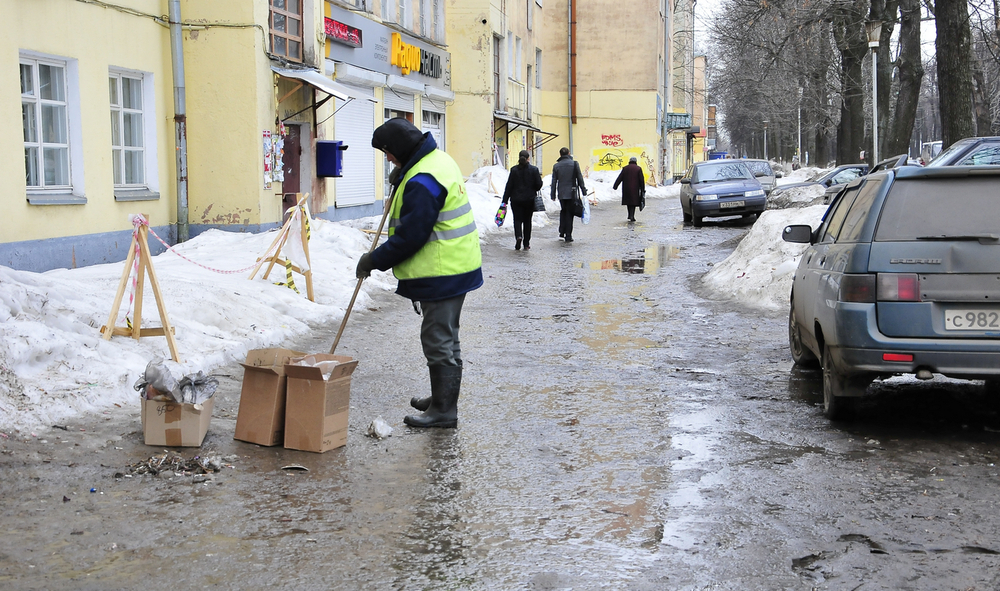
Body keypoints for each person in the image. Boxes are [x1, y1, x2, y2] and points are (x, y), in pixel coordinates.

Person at [356, 118, 483, 429]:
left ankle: (443, 410)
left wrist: (373, 260)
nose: (386, 158)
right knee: (447, 337)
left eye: (387, 152)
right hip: (455, 266)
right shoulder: (436, 162)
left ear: (399, 149)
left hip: (443, 271)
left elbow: (411, 237)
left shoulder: (422, 180)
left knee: (438, 338)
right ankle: (442, 398)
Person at [501, 150, 544, 250]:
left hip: (516, 200)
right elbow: (538, 185)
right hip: (529, 200)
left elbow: (509, 186)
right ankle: (526, 243)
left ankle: (518, 236)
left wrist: (505, 200)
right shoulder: (534, 170)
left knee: (517, 219)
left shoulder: (514, 170)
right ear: (528, 158)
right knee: (527, 221)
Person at [550, 147, 587, 242]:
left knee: (564, 210)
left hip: (561, 193)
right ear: (569, 153)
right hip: (572, 192)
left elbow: (554, 181)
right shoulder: (574, 164)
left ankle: (562, 231)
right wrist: (583, 190)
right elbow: (579, 178)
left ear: (560, 155)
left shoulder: (556, 166)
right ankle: (568, 235)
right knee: (570, 213)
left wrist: (553, 194)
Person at [613, 156, 645, 222]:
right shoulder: (638, 169)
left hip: (626, 188)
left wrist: (615, 186)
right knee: (633, 202)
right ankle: (632, 216)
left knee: (628, 202)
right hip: (635, 188)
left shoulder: (625, 168)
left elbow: (620, 178)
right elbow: (641, 180)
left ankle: (629, 214)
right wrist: (642, 189)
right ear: (635, 161)